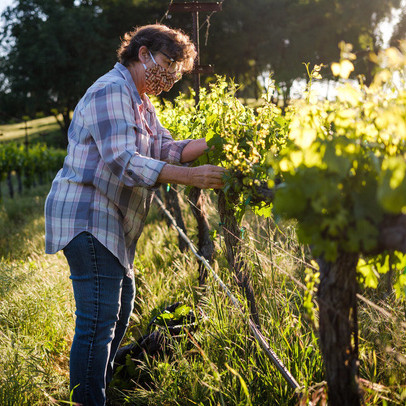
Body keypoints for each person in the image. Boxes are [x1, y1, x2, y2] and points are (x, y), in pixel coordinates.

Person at [44, 24, 225, 406]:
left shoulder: (141, 101)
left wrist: (218, 143)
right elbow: (124, 161)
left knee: (122, 305)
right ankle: (89, 400)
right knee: (98, 322)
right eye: (168, 64)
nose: (172, 77)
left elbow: (165, 147)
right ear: (143, 54)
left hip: (110, 219)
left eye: (179, 71)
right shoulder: (112, 90)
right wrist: (193, 177)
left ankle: (98, 390)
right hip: (87, 215)